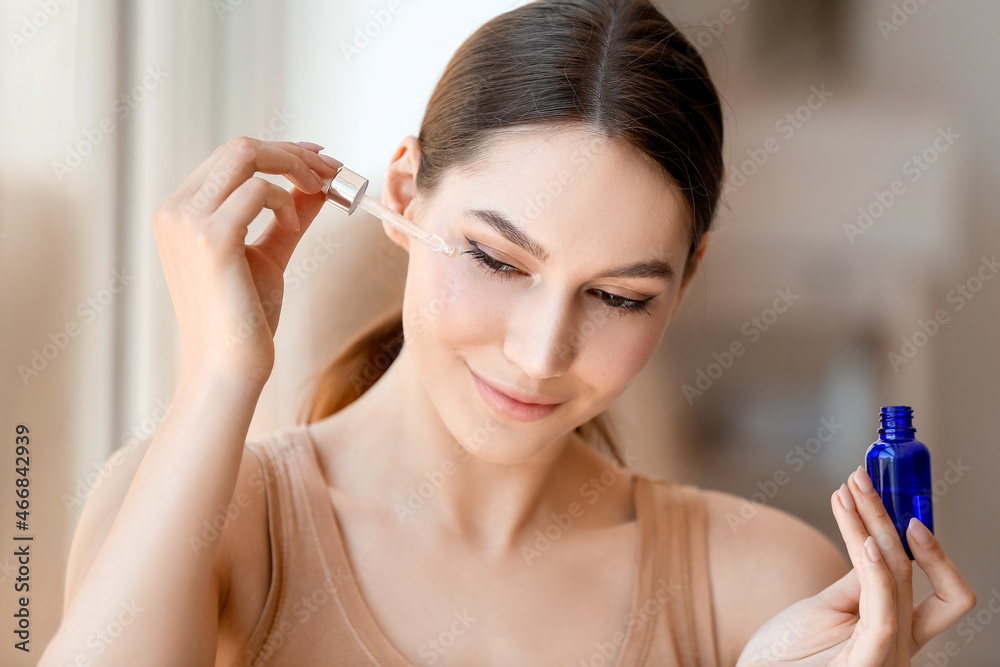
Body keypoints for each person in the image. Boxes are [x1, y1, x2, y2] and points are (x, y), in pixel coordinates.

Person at [42, 0, 977, 665]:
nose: (539, 353)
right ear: (402, 193)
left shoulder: (767, 586)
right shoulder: (195, 511)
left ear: (685, 281)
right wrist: (221, 376)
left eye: (617, 297)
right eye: (495, 260)